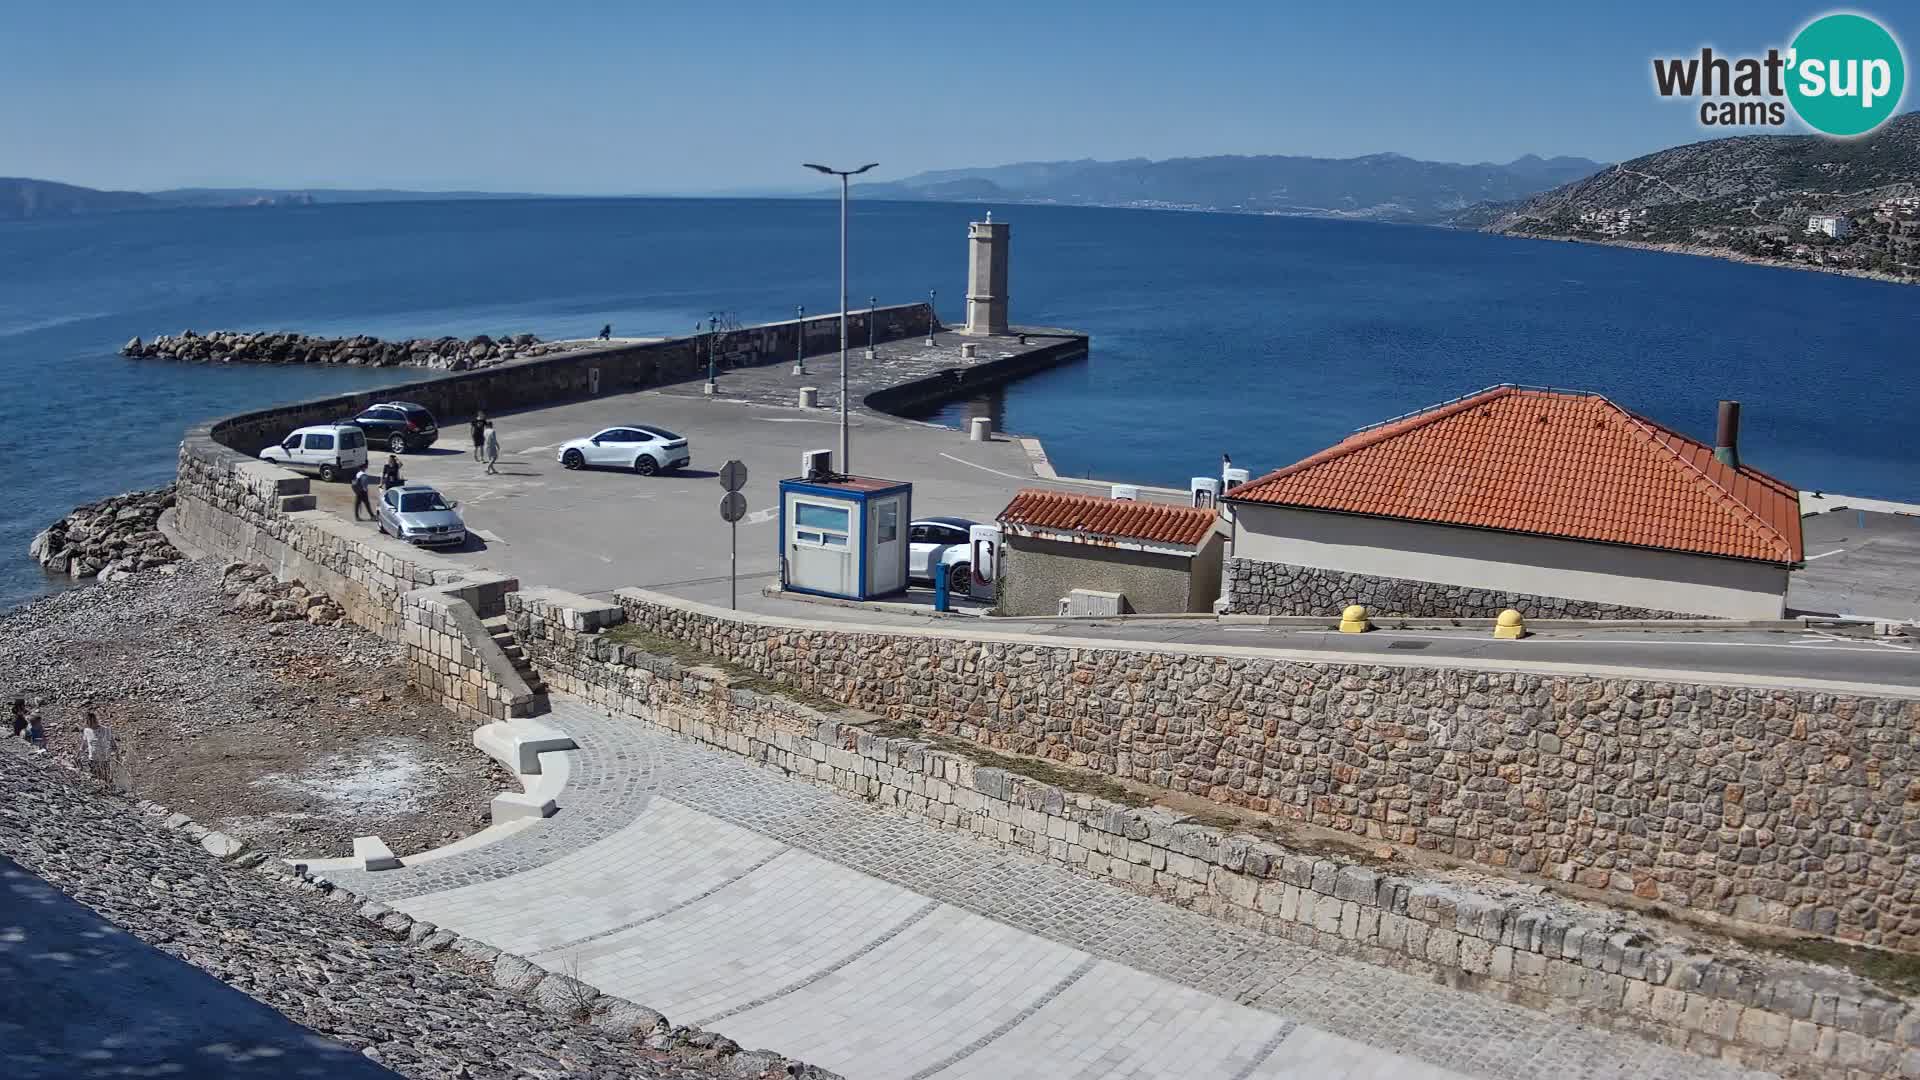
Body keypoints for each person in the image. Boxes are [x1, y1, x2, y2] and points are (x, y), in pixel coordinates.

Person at [80, 712, 112, 782]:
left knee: (105, 778)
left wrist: (116, 753)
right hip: (93, 759)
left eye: (92, 720)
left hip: (104, 759)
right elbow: (84, 743)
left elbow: (111, 742)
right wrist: (79, 753)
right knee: (95, 779)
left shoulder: (105, 729)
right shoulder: (87, 731)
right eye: (88, 721)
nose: (90, 722)